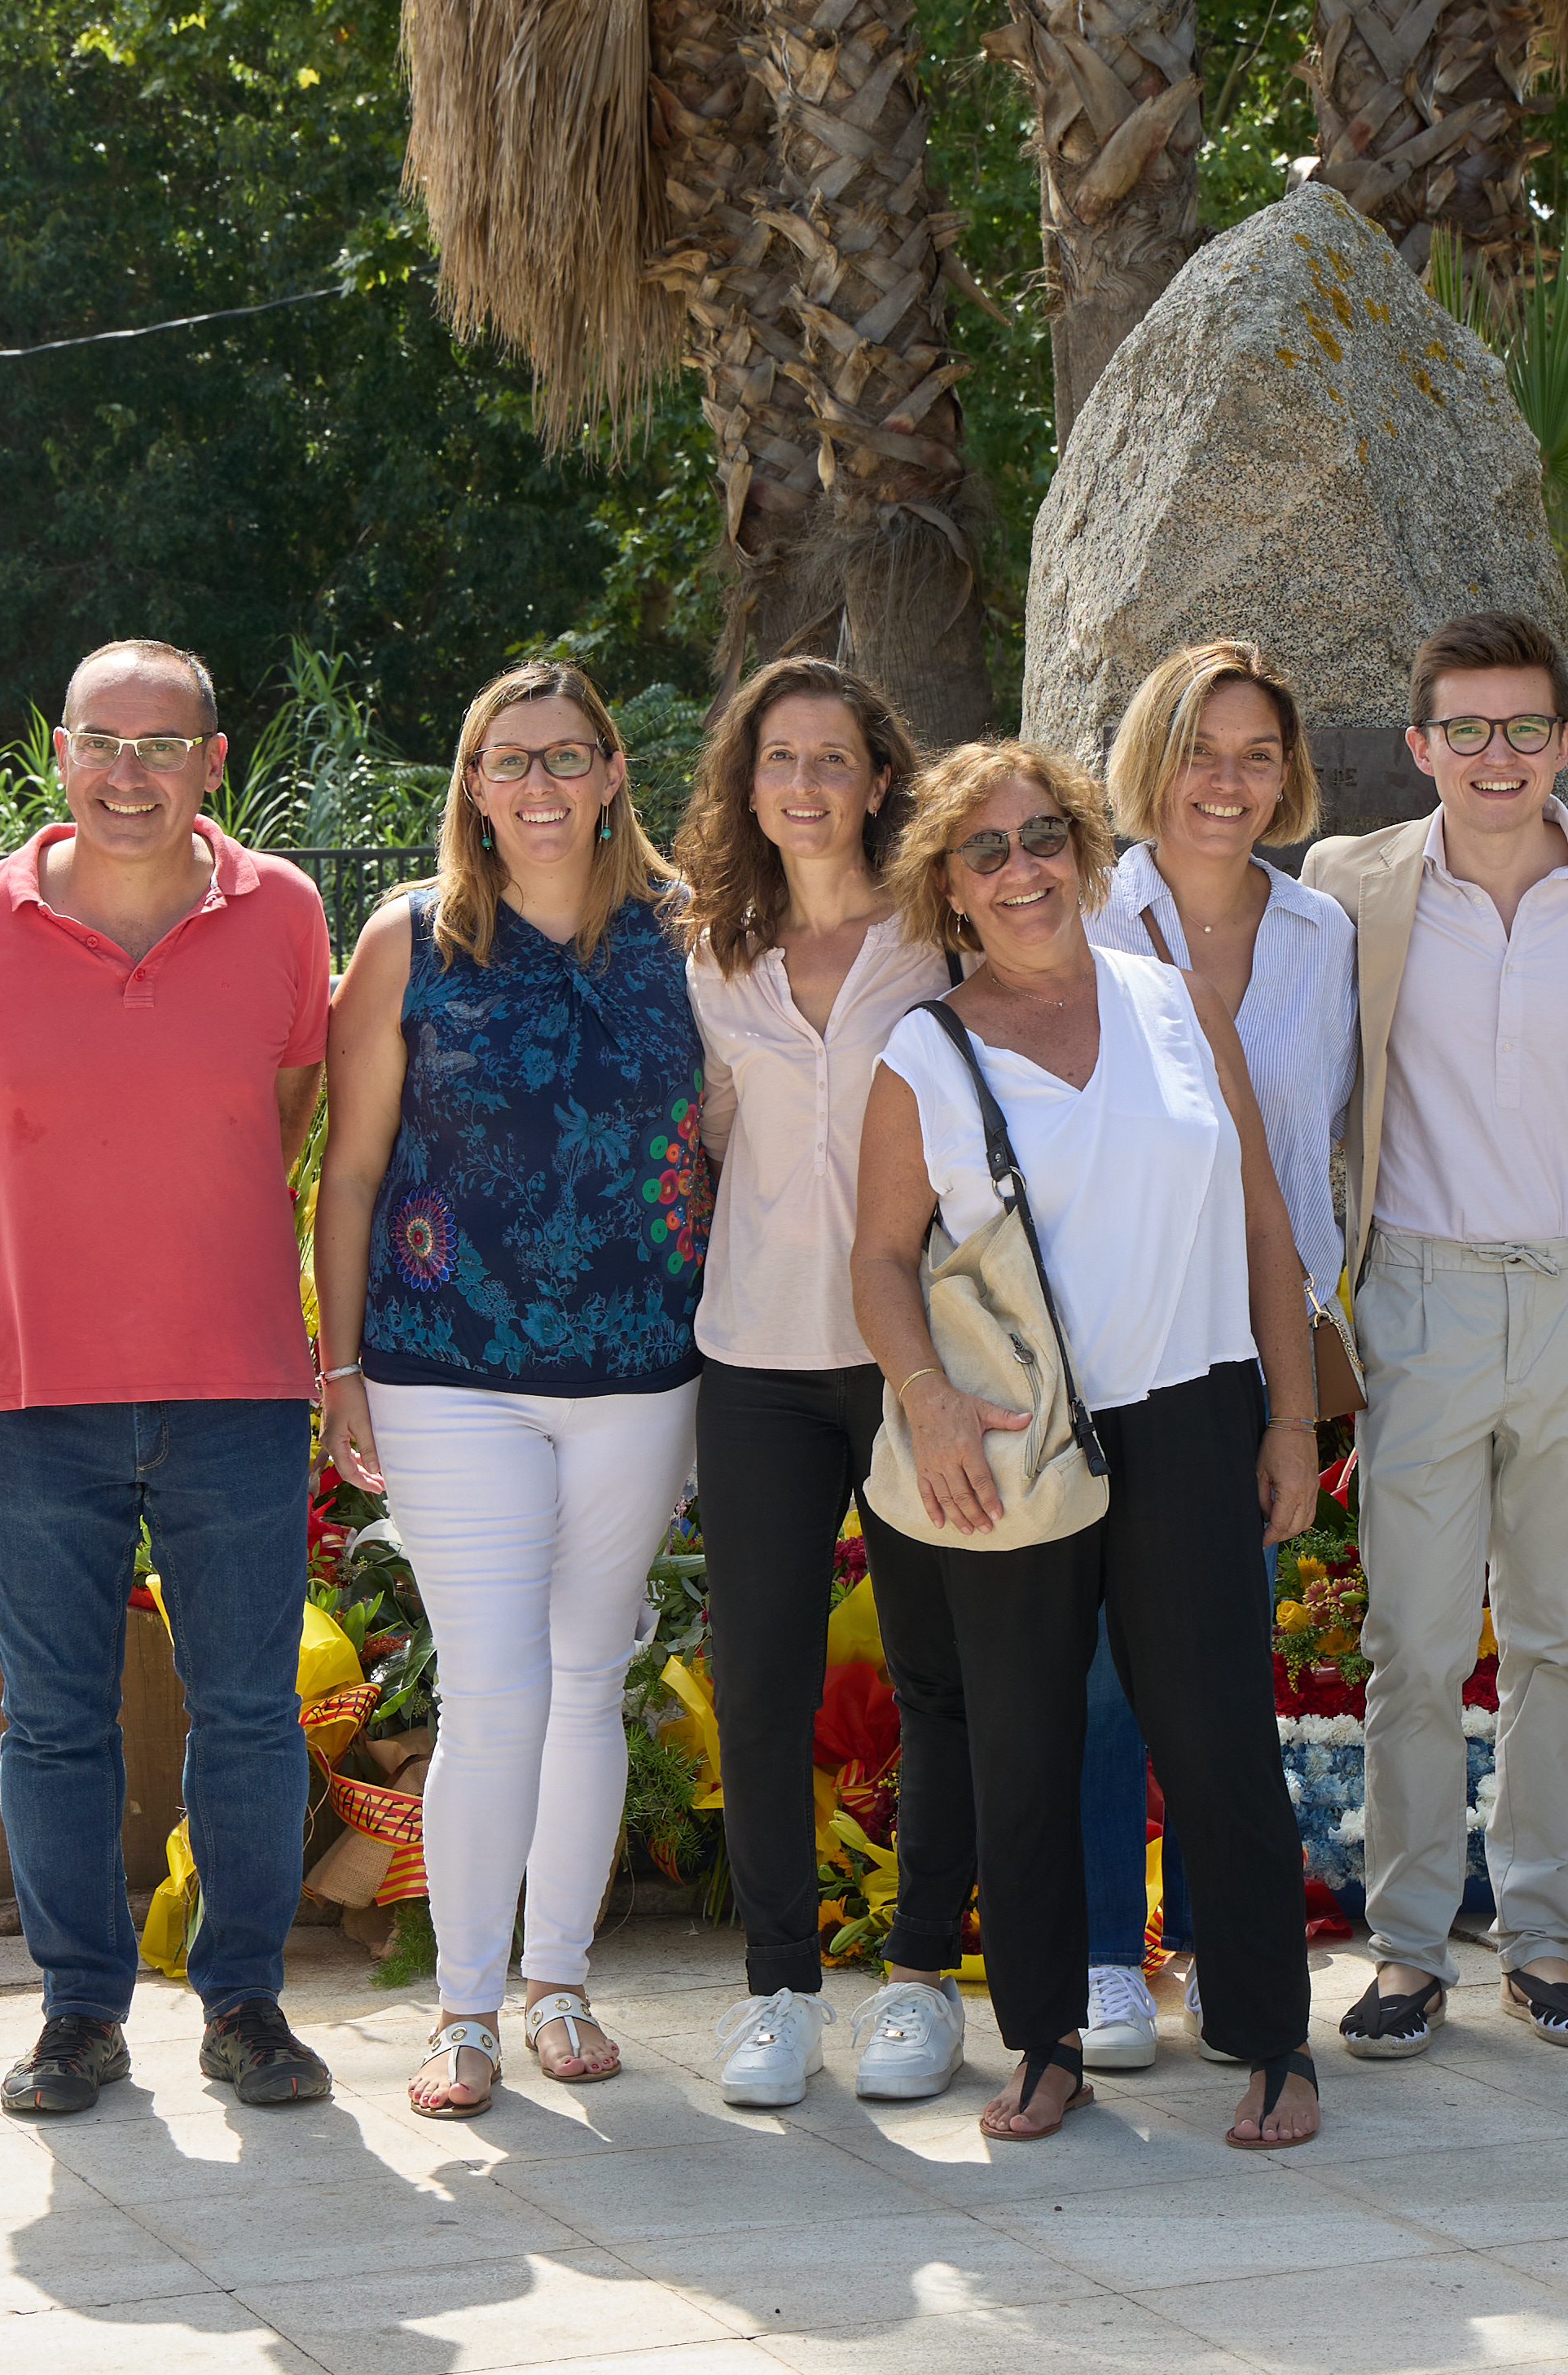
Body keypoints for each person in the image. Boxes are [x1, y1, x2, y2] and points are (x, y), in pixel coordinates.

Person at [850, 740, 1325, 2149]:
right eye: (983, 850)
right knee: (1024, 1743)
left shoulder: (1173, 1003)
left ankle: (1269, 2041)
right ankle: (1043, 2040)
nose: (1020, 869)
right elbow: (878, 1260)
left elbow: (1260, 1226)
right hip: (1013, 1440)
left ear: (1082, 847)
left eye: (1040, 836)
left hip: (1189, 1411)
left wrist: (1290, 1416)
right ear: (947, 885)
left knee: (1218, 1737)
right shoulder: (919, 1054)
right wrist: (928, 1400)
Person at [0, 639, 337, 2116]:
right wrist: (24, 1273)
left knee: (250, 1714)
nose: (128, 771)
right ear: (61, 756)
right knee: (55, 1719)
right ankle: (78, 2011)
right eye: (100, 741)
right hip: (37, 1393)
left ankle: (247, 2003)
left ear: (213, 761)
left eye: (161, 743)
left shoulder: (282, 914)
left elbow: (279, 1118)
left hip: (237, 1385)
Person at [1298, 610, 1568, 2061]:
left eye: (1523, 727)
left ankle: (1539, 1943)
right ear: (1416, 746)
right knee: (1409, 1639)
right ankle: (1406, 1951)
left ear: (1565, 740)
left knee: (1550, 1634)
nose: (1494, 755)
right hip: (1418, 1290)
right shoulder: (1346, 885)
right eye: (1462, 729)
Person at [317, 660, 705, 2120]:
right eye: (506, 760)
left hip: (636, 1366)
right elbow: (348, 1167)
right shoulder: (408, 941)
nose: (537, 787)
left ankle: (559, 1984)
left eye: (565, 757)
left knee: (587, 1679)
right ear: (470, 789)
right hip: (446, 1371)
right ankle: (462, 2009)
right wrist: (339, 1363)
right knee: (489, 1691)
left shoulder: (689, 936)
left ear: (611, 774)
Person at [674, 656, 977, 2110]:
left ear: (875, 780)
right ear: (747, 785)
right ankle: (779, 1988)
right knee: (760, 1678)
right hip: (750, 1361)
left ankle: (919, 1980)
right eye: (776, 758)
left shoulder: (939, 941)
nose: (803, 784)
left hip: (910, 1357)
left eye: (831, 757)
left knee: (934, 1671)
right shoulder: (705, 953)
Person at [1077, 639, 1353, 2066]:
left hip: (1252, 1350)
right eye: (1198, 751)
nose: (1226, 783)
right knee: (1105, 1666)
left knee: (1220, 1656)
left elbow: (1318, 1158)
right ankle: (1099, 1955)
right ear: (1148, 761)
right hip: (1111, 1338)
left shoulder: (1322, 938)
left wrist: (1299, 1392)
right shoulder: (1075, 914)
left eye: (1254, 755)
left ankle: (1205, 1937)